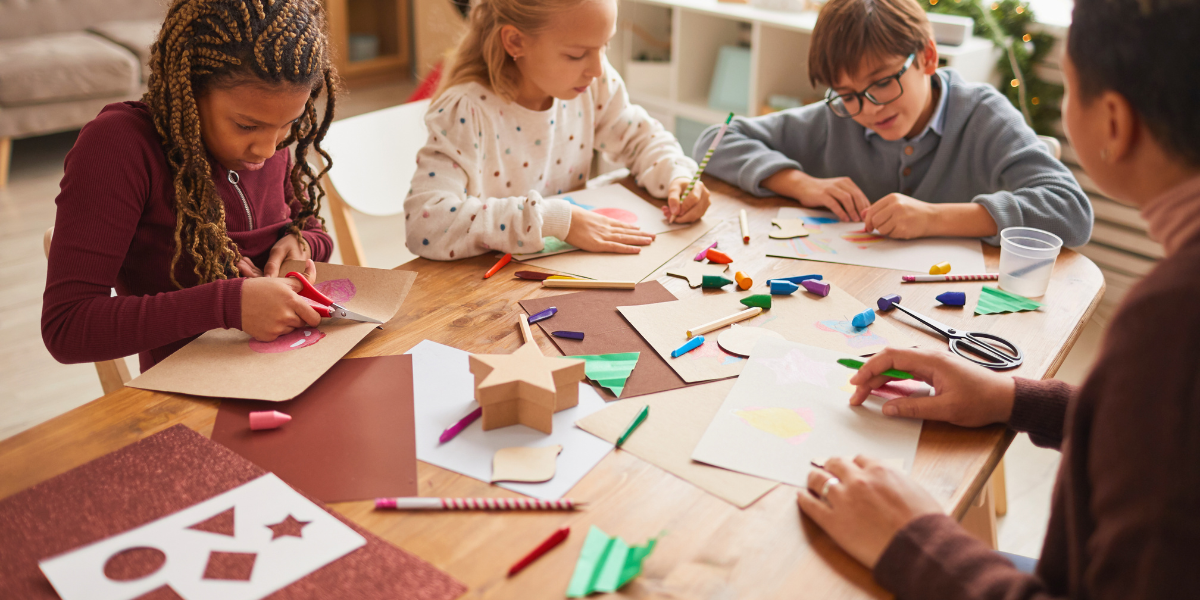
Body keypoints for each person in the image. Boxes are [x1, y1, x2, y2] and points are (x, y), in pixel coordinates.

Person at [795, 0, 1200, 596]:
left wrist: (913, 537)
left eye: (1067, 85)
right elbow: (1159, 432)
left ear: (1112, 121)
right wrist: (1016, 399)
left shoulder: (1170, 324)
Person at [42, 0, 339, 371]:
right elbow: (67, 327)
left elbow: (313, 230)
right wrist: (229, 305)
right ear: (188, 89)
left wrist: (302, 243)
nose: (267, 149)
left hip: (295, 367)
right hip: (187, 396)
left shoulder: (270, 141)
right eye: (246, 126)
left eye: (288, 125)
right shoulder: (119, 148)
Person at [694, 0, 1092, 246]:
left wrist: (935, 218)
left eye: (882, 82)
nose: (867, 109)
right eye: (847, 93)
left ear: (927, 58)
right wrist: (802, 184)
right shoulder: (839, 116)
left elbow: (1071, 211)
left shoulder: (982, 115)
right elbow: (715, 141)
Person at [404, 0, 711, 261]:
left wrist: (677, 175)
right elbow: (425, 223)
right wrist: (553, 220)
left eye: (604, 46)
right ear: (515, 42)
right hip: (489, 288)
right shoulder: (466, 111)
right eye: (577, 55)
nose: (598, 69)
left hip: (570, 270)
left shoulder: (593, 84)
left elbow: (640, 138)